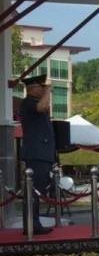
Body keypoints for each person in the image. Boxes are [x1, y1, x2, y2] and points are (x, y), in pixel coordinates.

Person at [19, 74, 55, 235]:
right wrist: (48, 91)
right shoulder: (28, 103)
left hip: (42, 153)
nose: (43, 90)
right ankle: (31, 224)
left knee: (38, 190)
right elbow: (42, 107)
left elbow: (45, 107)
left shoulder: (35, 103)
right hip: (36, 153)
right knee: (34, 192)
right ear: (32, 88)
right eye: (41, 87)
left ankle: (34, 223)